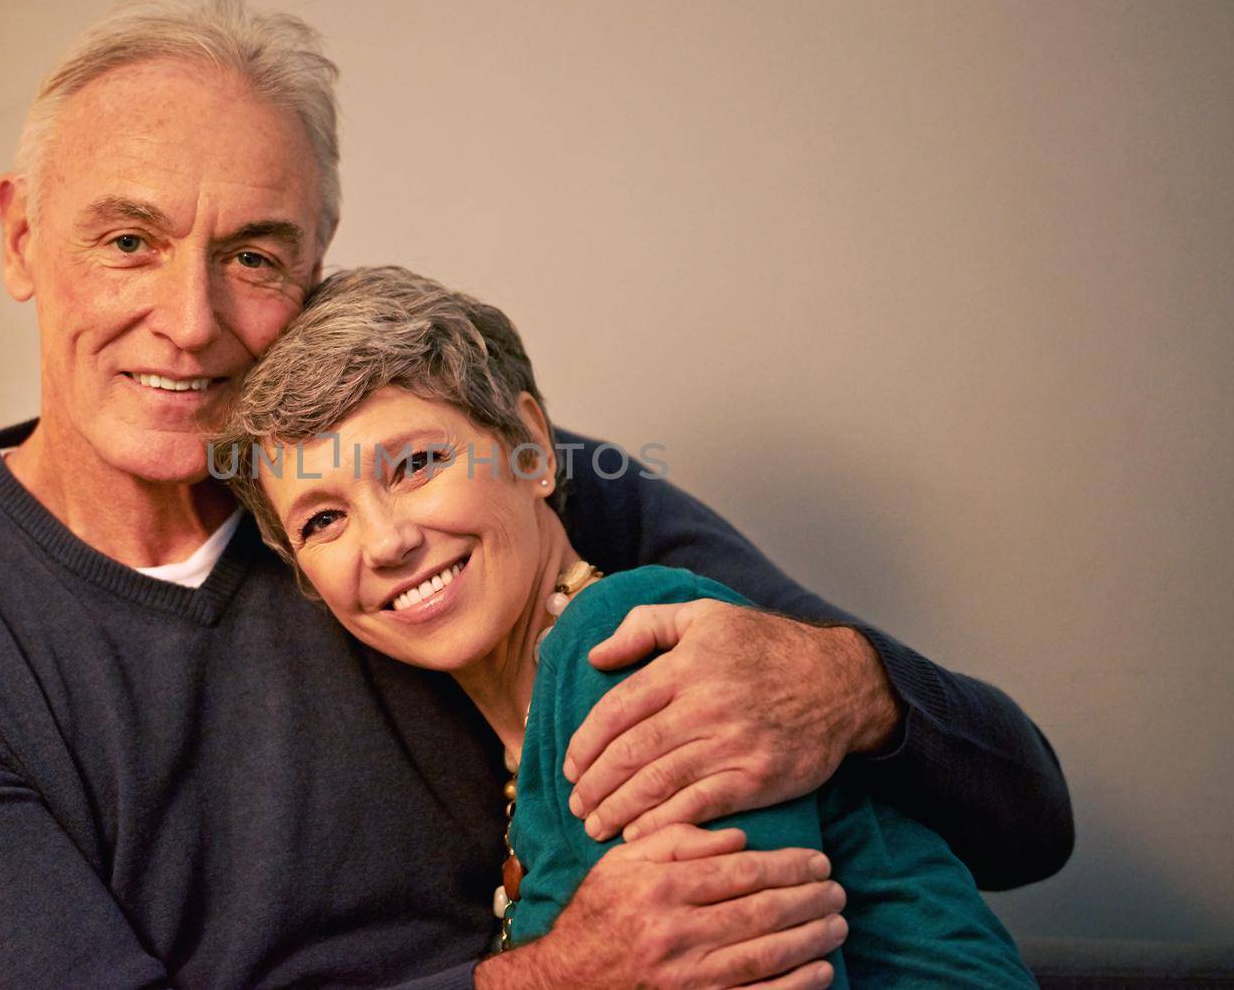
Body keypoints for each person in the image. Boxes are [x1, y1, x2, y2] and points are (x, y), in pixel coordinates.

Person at [0, 0, 1071, 989]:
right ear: (21, 236)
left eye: (255, 255)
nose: (191, 320)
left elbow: (1024, 816)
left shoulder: (506, 503)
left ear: (322, 267)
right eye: (128, 241)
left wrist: (841, 688)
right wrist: (554, 979)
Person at [215, 265, 1040, 987]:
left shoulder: (624, 643)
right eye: (323, 520)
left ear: (532, 450)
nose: (387, 542)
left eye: (418, 465)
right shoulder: (522, 726)